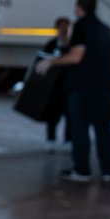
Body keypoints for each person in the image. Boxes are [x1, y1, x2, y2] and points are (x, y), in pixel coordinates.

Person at [36, 0, 110, 182]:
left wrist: (52, 61)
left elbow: (76, 56)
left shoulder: (81, 26)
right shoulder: (106, 29)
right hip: (104, 88)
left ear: (79, 7)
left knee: (80, 129)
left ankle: (82, 170)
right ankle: (108, 171)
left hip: (83, 88)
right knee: (103, 130)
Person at [41, 16, 72, 151]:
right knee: (52, 114)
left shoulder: (73, 46)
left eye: (66, 26)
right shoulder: (51, 44)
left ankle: (68, 139)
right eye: (61, 26)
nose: (64, 29)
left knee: (70, 114)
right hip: (54, 86)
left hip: (69, 84)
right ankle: (51, 139)